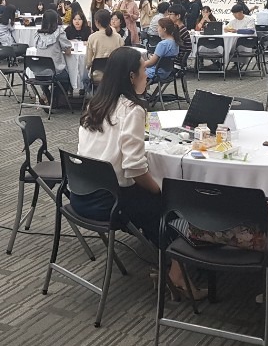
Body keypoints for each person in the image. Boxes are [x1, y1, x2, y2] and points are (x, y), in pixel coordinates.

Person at [73, 46, 199, 297]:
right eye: (144, 70)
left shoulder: (94, 105)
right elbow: (134, 170)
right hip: (110, 203)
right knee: (177, 205)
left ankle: (168, 264)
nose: (147, 76)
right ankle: (177, 273)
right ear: (132, 76)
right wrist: (159, 190)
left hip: (81, 195)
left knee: (154, 202)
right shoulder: (132, 110)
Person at [32, 11, 72, 105]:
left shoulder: (37, 34)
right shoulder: (59, 33)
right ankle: (56, 98)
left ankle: (47, 94)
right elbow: (68, 51)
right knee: (68, 76)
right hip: (54, 72)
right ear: (56, 20)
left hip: (38, 72)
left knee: (46, 76)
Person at [86, 9, 124, 86]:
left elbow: (88, 62)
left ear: (96, 22)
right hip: (115, 73)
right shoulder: (118, 37)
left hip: (97, 74)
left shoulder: (92, 37)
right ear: (109, 21)